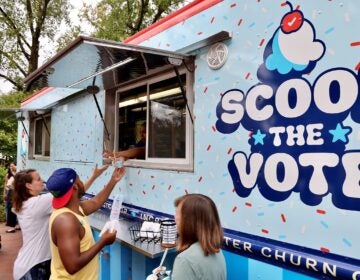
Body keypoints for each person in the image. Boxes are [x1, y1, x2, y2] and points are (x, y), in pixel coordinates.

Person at [12, 165, 109, 280]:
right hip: (35, 266)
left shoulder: (26, 204)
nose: (42, 180)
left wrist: (94, 177)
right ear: (28, 186)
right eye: (38, 179)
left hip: (28, 263)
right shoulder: (37, 204)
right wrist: (93, 177)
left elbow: (73, 192)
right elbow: (72, 192)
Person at [47, 166, 126, 280]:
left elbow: (96, 202)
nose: (82, 182)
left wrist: (113, 180)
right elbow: (72, 265)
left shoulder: (74, 208)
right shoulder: (65, 220)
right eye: (79, 179)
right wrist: (102, 242)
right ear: (75, 187)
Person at [171, 194, 226, 280]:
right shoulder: (217, 251)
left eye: (178, 213)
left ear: (189, 222)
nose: (174, 217)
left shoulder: (185, 260)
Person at [3, 163, 19, 233]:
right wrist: (5, 193)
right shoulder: (8, 175)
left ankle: (14, 226)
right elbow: (6, 185)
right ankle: (12, 226)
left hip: (15, 193)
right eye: (10, 166)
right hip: (10, 193)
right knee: (10, 209)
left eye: (13, 166)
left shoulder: (17, 175)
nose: (11, 167)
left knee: (14, 209)